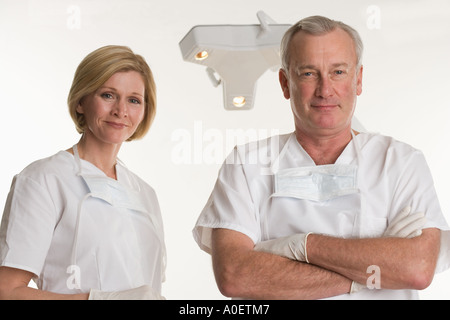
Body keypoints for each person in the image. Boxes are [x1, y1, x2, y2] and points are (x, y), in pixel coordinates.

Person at [193, 16, 450, 299]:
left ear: (358, 79)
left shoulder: (401, 162)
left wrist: (301, 246)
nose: (325, 90)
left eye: (338, 72)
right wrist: (378, 270)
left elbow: (418, 268)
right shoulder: (245, 165)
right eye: (308, 73)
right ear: (284, 83)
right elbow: (236, 276)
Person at [0, 45, 166, 300]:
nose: (121, 111)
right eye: (108, 95)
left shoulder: (144, 193)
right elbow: (7, 290)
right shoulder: (43, 180)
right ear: (81, 101)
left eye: (134, 100)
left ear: (144, 111)